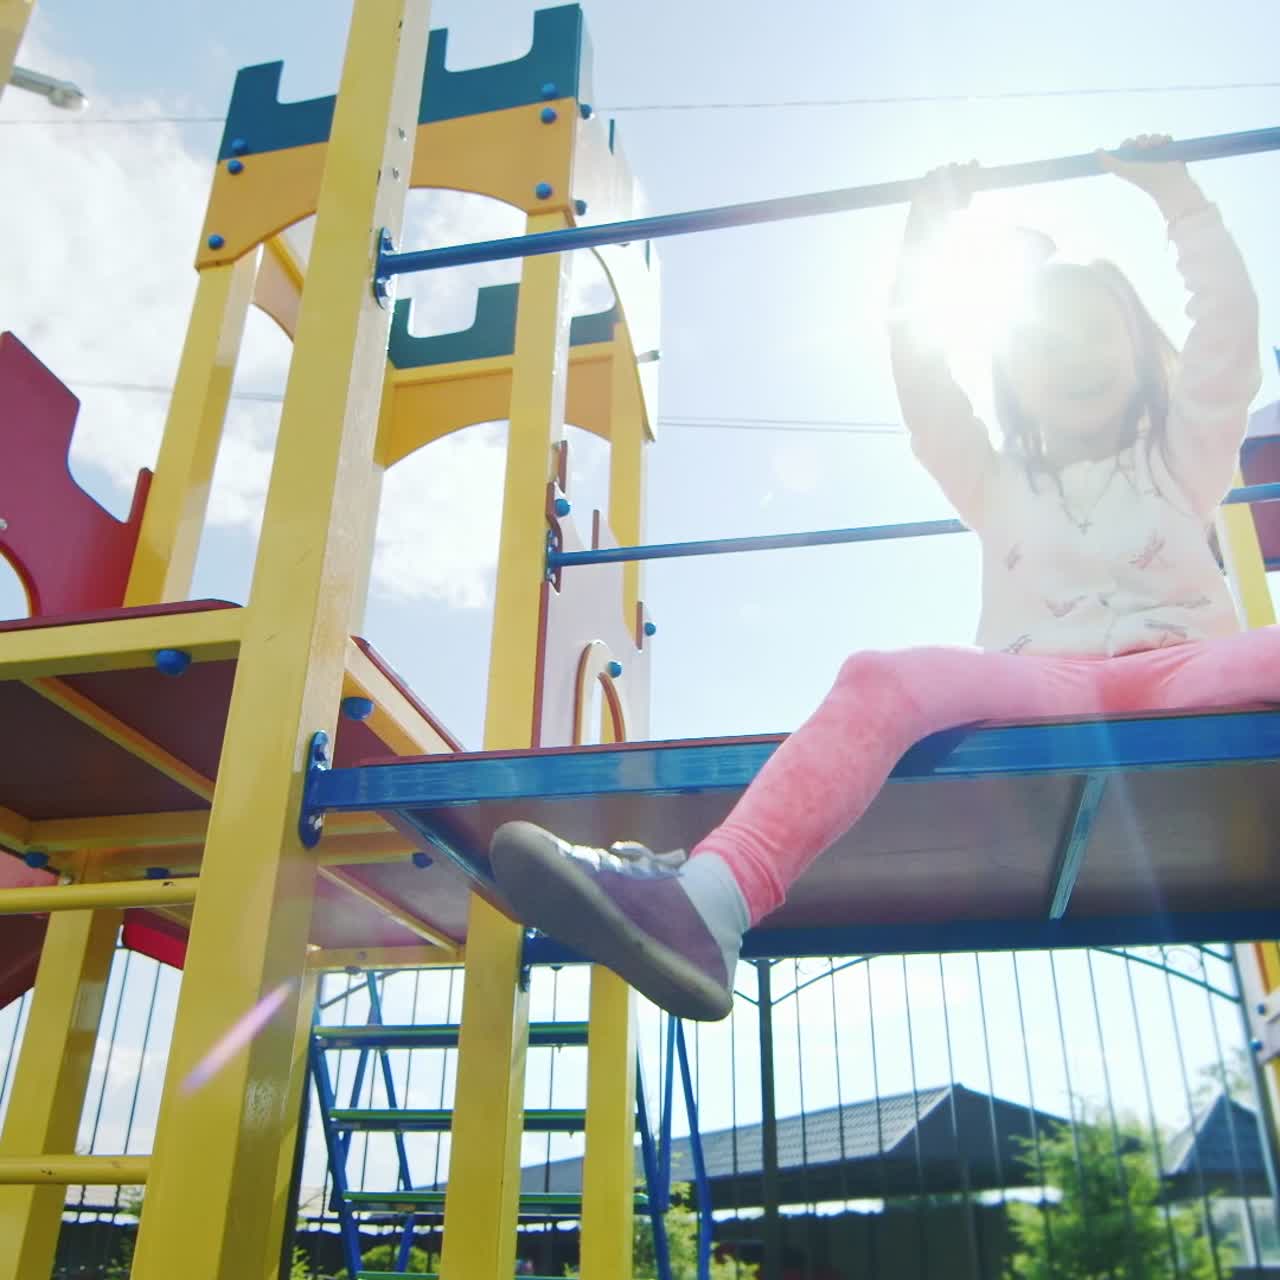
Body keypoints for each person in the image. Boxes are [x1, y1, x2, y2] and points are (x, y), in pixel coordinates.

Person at [489, 135, 1273, 1021]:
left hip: (1184, 667)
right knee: (883, 675)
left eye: (1099, 335)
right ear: (1013, 378)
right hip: (1041, 675)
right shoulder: (995, 479)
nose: (1077, 356)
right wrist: (926, 245)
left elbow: (1228, 340)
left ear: (1142, 358)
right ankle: (710, 904)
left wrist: (1181, 203)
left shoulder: (1181, 456)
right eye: (1047, 347)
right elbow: (923, 384)